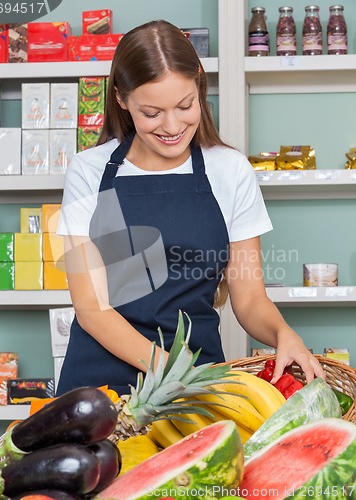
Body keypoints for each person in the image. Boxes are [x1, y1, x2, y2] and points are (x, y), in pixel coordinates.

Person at [56, 19, 325, 396]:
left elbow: (248, 298)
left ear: (199, 82)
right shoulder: (88, 171)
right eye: (151, 113)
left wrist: (284, 333)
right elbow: (92, 308)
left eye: (184, 105)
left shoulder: (229, 170)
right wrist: (174, 373)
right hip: (100, 386)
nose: (171, 126)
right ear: (121, 99)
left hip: (195, 380)